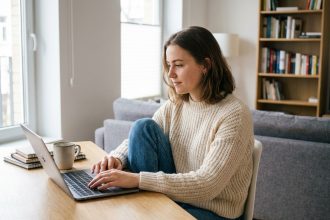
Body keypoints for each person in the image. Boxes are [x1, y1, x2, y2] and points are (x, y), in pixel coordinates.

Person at [88, 26, 254, 220]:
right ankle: (145, 209)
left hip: (213, 211)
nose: (171, 74)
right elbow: (142, 136)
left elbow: (208, 185)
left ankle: (144, 209)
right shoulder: (177, 103)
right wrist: (116, 158)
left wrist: (137, 180)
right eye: (169, 65)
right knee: (143, 127)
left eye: (179, 65)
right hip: (177, 198)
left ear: (205, 65)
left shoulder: (234, 114)